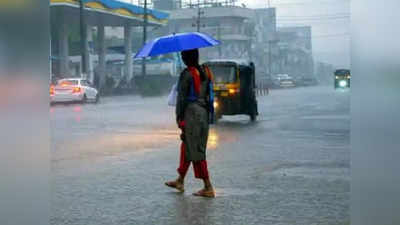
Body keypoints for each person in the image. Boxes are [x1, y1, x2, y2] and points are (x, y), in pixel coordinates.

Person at [165, 49, 215, 198]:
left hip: (191, 114)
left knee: (196, 150)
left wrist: (179, 118)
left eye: (183, 55)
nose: (182, 57)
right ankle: (180, 180)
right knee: (188, 146)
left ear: (187, 58)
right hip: (203, 113)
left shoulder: (187, 74)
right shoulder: (206, 71)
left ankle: (208, 186)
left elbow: (181, 99)